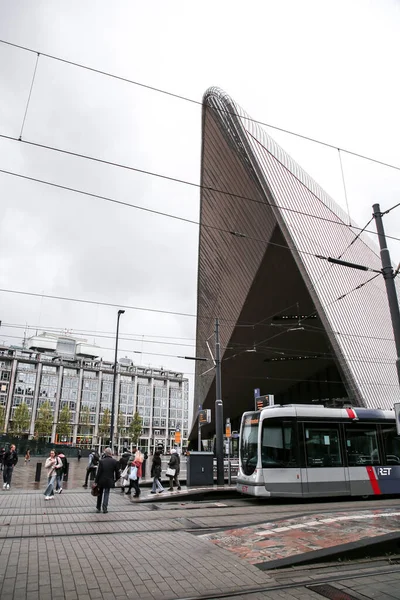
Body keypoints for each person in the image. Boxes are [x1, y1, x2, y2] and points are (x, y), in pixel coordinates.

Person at [94, 447, 119, 513]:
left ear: (105, 453)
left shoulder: (101, 461)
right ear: (111, 453)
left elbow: (98, 472)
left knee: (100, 494)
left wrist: (96, 481)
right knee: (106, 493)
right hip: (109, 480)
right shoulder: (114, 462)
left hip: (101, 480)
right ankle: (105, 508)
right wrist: (115, 479)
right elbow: (117, 472)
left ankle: (98, 507)